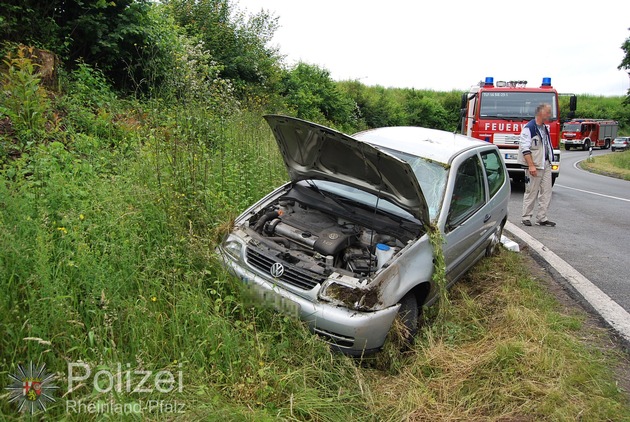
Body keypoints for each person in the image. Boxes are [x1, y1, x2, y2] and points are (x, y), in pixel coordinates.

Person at [517, 103, 556, 227]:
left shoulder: (545, 128)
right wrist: (531, 165)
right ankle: (526, 217)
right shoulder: (529, 128)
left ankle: (542, 217)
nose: (549, 115)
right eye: (548, 112)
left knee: (546, 192)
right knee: (531, 191)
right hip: (535, 164)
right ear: (541, 113)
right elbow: (525, 148)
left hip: (545, 163)